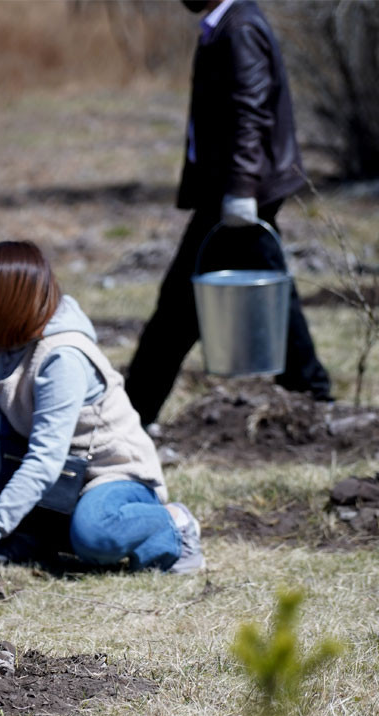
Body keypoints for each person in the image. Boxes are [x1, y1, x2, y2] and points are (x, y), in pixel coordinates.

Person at [0, 241, 204, 575]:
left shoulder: (61, 357)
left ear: (21, 300)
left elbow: (44, 460)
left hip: (109, 473)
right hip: (64, 476)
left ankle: (173, 523)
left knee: (94, 535)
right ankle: (35, 535)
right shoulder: (2, 345)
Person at [124, 0, 333, 427]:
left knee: (178, 309)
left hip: (237, 194)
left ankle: (129, 417)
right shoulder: (226, 25)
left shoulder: (238, 28)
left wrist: (240, 192)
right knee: (262, 293)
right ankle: (312, 394)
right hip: (232, 192)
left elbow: (249, 113)